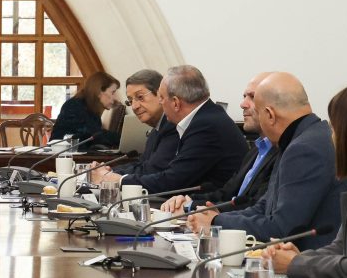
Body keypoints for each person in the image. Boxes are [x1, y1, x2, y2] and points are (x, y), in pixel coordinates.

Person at [188, 72, 345, 250]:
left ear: (270, 114)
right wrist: (217, 217)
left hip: (308, 260)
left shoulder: (304, 148)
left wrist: (216, 221)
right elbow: (263, 207)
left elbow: (280, 229)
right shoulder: (297, 138)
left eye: (258, 113)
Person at [264, 84, 347, 278]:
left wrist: (295, 264)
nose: (331, 137)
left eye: (334, 128)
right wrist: (300, 258)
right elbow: (342, 247)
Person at [93, 65, 248, 193]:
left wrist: (118, 180)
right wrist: (111, 174)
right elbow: (154, 169)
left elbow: (172, 180)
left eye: (161, 98)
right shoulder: (204, 118)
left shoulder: (205, 126)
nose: (161, 103)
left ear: (175, 103)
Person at [162, 72, 278, 214]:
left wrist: (193, 208)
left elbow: (254, 206)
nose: (242, 104)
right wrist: (188, 201)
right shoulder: (257, 149)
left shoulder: (282, 151)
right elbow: (226, 194)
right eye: (244, 97)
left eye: (252, 97)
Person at [112, 69, 179, 180]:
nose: (134, 107)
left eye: (140, 97)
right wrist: (108, 170)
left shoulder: (173, 126)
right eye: (130, 101)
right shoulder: (156, 129)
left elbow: (151, 170)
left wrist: (111, 176)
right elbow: (142, 164)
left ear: (160, 95)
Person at [50, 71, 121, 147]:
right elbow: (95, 134)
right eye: (113, 92)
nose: (115, 98)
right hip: (59, 152)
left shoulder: (91, 108)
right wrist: (123, 139)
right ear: (99, 92)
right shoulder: (74, 106)